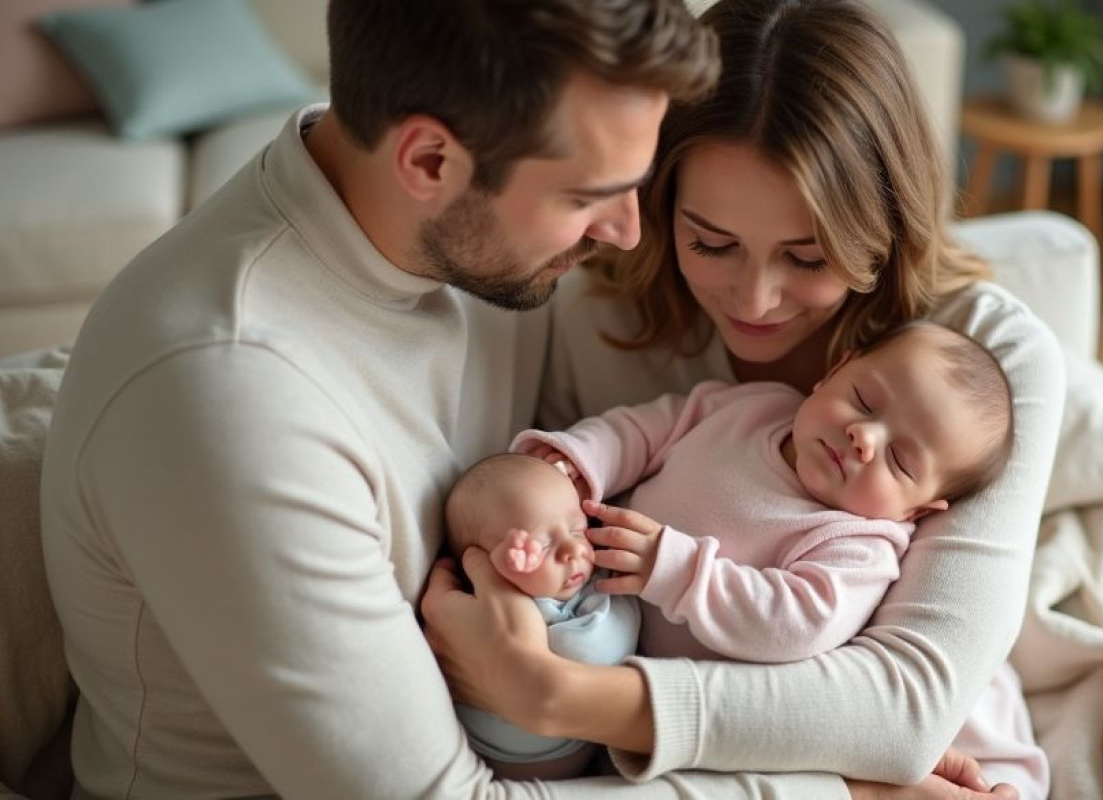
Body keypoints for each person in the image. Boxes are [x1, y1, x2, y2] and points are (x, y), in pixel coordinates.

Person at [36, 0, 791, 796]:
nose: (627, 233)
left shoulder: (447, 228)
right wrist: (834, 790)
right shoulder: (232, 396)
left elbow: (766, 411)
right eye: (587, 197)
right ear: (428, 161)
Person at [420, 0, 1067, 799]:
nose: (755, 300)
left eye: (808, 255)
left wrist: (552, 695)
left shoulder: (995, 357)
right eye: (711, 243)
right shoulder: (598, 314)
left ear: (881, 227)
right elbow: (576, 495)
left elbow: (906, 714)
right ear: (658, 205)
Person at [510, 320, 1047, 798]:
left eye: (901, 460)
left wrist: (675, 569)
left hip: (719, 722)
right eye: (864, 400)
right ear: (834, 371)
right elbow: (644, 431)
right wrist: (580, 461)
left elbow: (795, 622)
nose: (865, 438)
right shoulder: (752, 406)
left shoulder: (861, 543)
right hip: (604, 610)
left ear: (919, 509)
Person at [443, 453, 640, 782]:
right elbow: (590, 654)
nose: (572, 550)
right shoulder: (494, 615)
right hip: (504, 764)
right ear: (479, 564)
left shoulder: (587, 590)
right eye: (541, 545)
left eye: (577, 530)